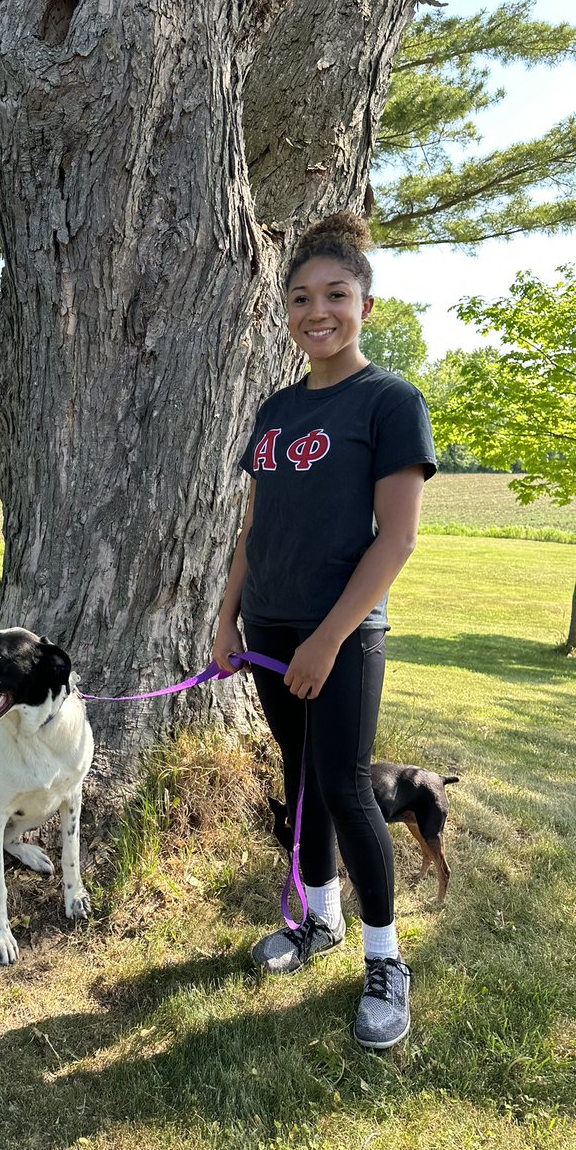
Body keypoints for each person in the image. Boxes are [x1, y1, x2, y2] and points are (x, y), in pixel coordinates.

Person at [212, 211, 436, 1050]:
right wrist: (227, 615)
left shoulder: (389, 401)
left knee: (344, 788)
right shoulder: (273, 411)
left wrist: (328, 639)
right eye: (302, 297)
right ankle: (320, 922)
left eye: (336, 295)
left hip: (338, 636)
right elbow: (252, 529)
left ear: (365, 305)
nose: (319, 311)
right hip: (267, 629)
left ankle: (386, 961)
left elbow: (398, 539)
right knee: (300, 781)